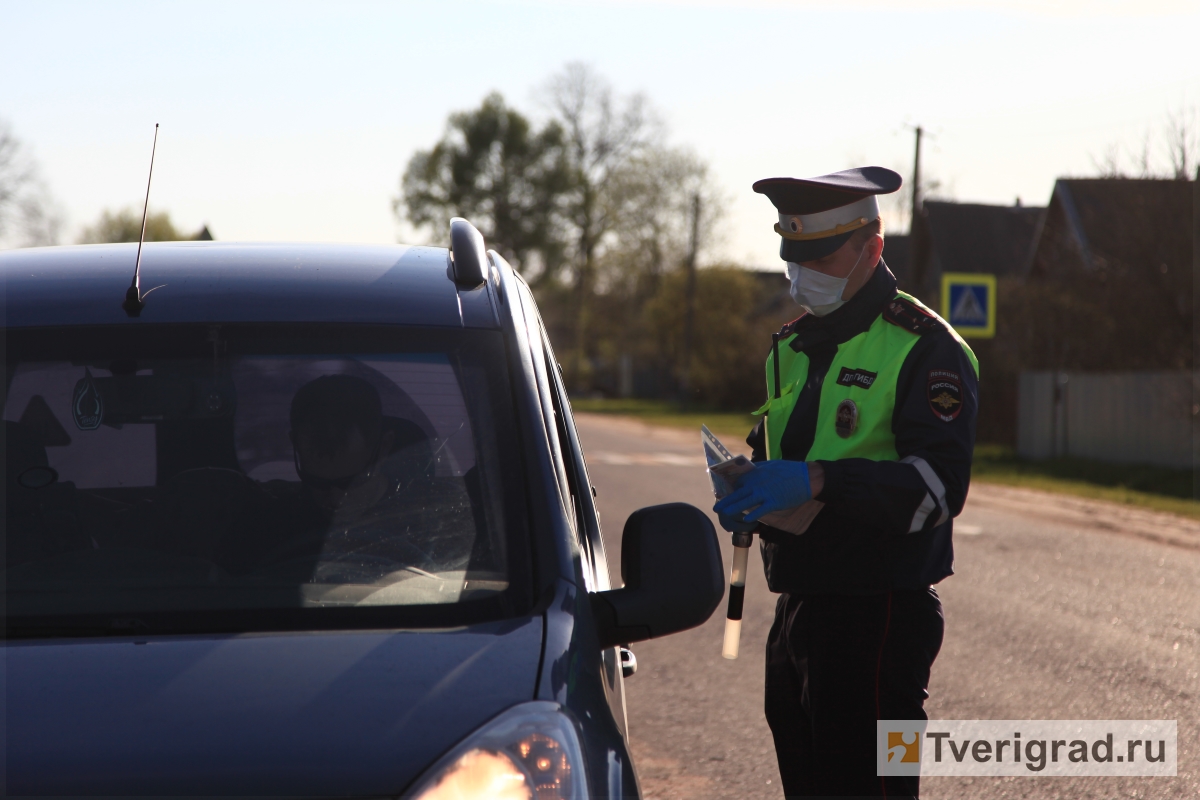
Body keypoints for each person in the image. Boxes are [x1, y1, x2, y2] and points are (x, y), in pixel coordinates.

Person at [713, 167, 979, 799]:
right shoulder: (793, 346)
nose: (803, 273)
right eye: (793, 257)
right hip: (801, 605)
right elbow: (780, 449)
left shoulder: (926, 347)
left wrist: (817, 480)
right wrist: (749, 491)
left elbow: (940, 488)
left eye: (821, 257)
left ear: (873, 247)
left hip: (883, 616)